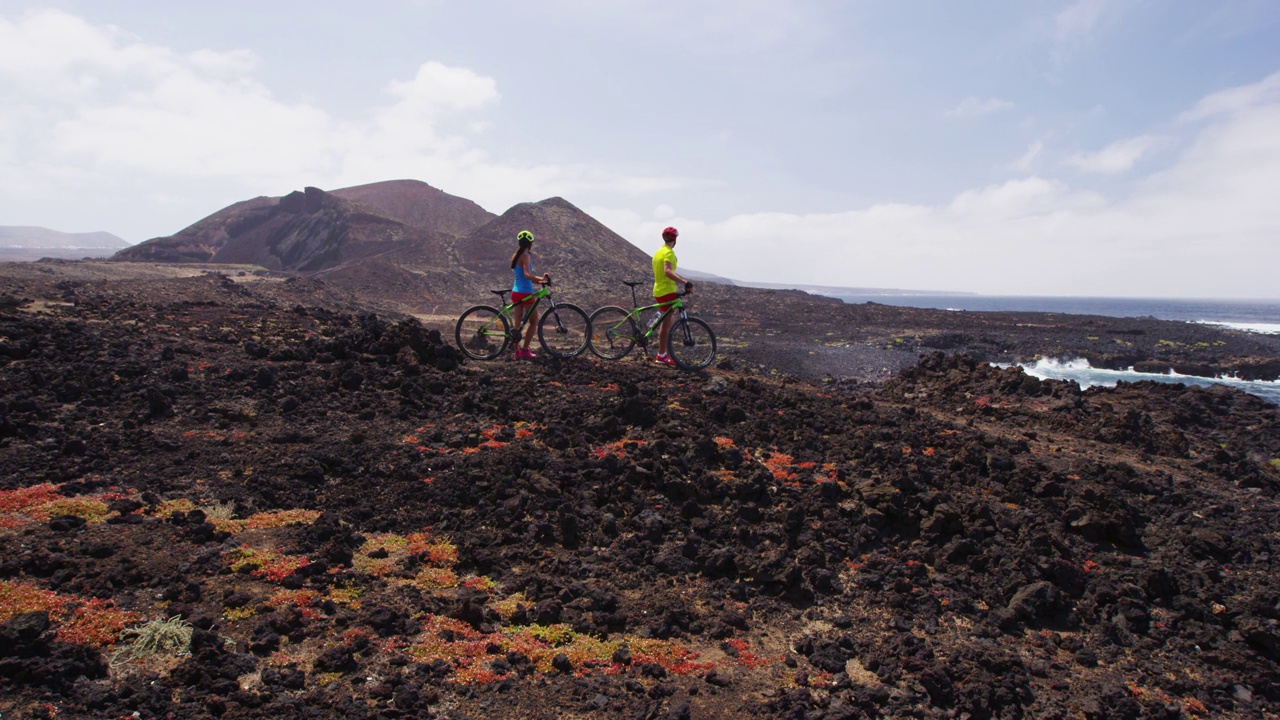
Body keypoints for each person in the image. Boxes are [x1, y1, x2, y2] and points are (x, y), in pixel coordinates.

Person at [652, 226, 692, 366]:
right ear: (675, 239)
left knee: (666, 322)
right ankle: (662, 355)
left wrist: (682, 282)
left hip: (658, 289)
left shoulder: (658, 252)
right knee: (667, 324)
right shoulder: (668, 253)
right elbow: (668, 271)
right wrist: (684, 282)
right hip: (667, 290)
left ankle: (662, 354)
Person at [510, 230, 549, 359]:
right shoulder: (525, 256)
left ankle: (517, 353)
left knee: (517, 324)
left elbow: (521, 275)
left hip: (515, 292)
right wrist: (541, 280)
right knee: (533, 322)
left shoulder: (516, 255)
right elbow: (526, 275)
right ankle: (525, 350)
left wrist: (538, 280)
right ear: (530, 243)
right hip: (525, 292)